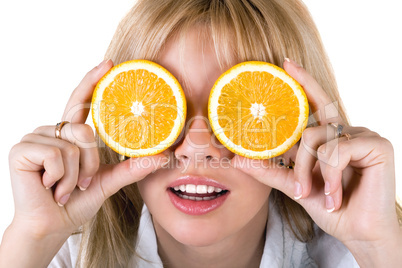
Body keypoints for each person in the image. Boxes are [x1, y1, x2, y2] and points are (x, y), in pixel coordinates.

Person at [1, 0, 401, 267]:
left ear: (302, 128)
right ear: (117, 122)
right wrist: (33, 238)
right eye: (164, 110)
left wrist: (377, 245)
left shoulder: (354, 255)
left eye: (241, 112)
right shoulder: (60, 254)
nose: (196, 146)